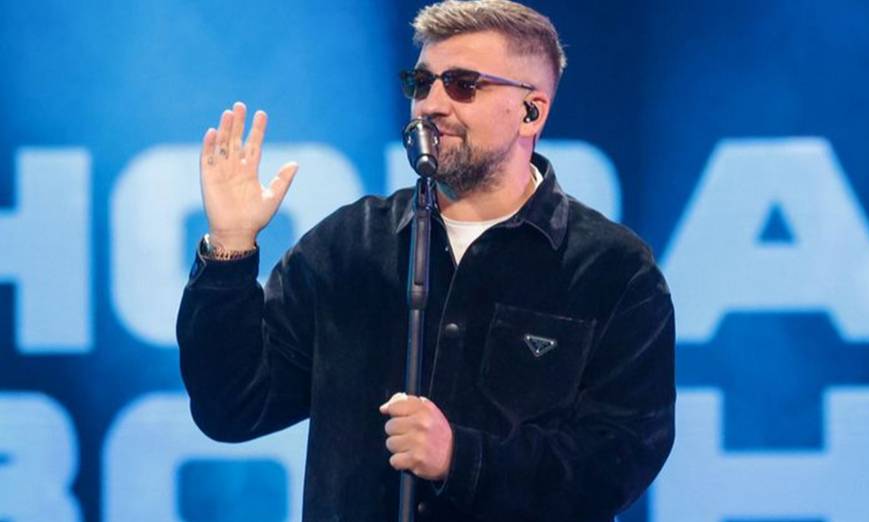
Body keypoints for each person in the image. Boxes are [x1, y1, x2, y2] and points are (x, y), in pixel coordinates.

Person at [177, 1, 675, 520]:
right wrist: (229, 248)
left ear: (531, 111)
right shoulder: (349, 245)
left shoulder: (611, 270)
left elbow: (617, 463)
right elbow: (232, 407)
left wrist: (462, 458)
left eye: (462, 84)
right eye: (421, 83)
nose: (431, 105)